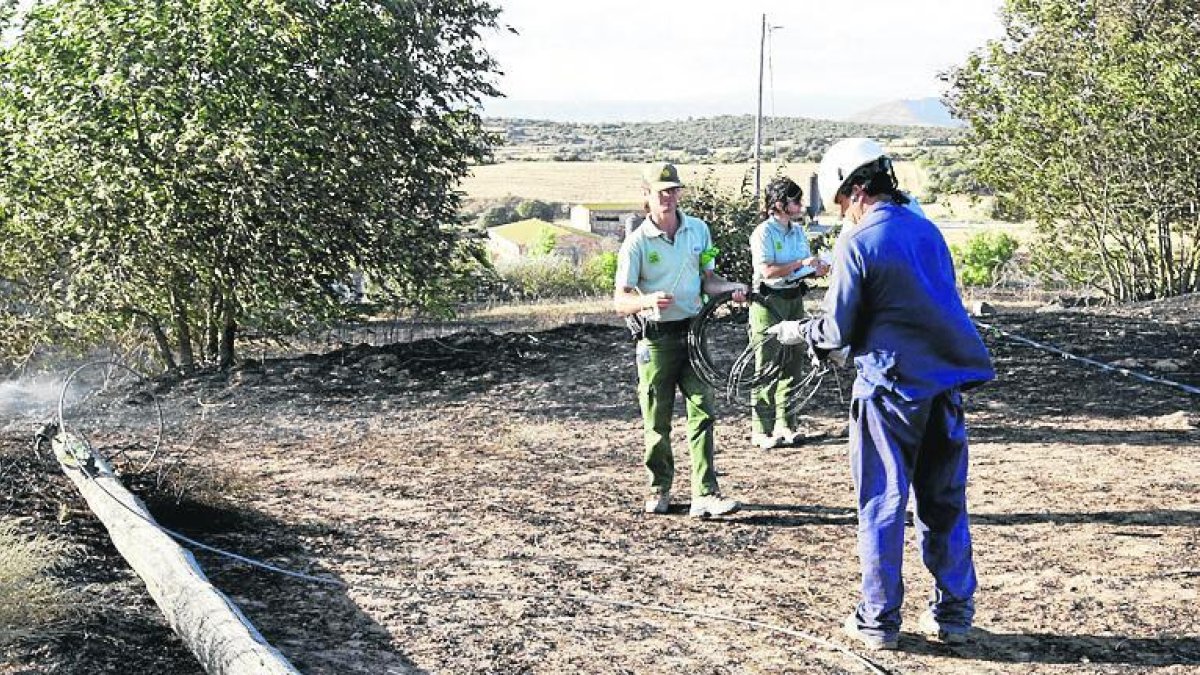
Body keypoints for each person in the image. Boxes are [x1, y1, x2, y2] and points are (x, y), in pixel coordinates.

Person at [768, 138, 995, 650]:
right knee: (943, 502)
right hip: (943, 388)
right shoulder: (928, 231)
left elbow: (836, 330)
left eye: (842, 203)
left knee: (882, 503)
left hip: (889, 393)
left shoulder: (860, 241)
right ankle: (955, 615)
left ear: (853, 191)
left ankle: (877, 622)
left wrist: (801, 332)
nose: (843, 213)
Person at [614, 162, 749, 519]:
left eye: (674, 190)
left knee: (703, 411)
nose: (669, 197)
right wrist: (645, 301)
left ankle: (705, 493)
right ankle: (659, 487)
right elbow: (619, 301)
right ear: (646, 195)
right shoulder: (636, 244)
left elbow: (708, 280)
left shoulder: (698, 230)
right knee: (656, 418)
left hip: (694, 333)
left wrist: (732, 288)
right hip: (656, 339)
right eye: (662, 191)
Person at [748, 177, 831, 449]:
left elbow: (798, 269)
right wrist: (800, 263)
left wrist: (815, 269)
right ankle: (762, 428)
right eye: (796, 201)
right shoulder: (763, 233)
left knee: (793, 363)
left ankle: (787, 424)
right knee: (767, 364)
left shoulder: (796, 232)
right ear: (779, 204)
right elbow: (767, 271)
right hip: (769, 302)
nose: (800, 205)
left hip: (794, 298)